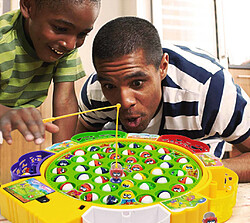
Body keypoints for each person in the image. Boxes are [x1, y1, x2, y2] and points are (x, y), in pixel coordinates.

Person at [76, 16, 250, 182]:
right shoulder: (96, 90)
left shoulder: (209, 88)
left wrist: (199, 170)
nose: (125, 101)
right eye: (110, 86)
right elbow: (77, 151)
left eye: (137, 83)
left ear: (162, 67)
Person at [0, 0, 100, 145]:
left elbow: (65, 100)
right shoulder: (3, 40)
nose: (71, 45)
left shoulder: (65, 45)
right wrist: (4, 112)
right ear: (28, 6)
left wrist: (60, 157)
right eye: (61, 28)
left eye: (82, 34)